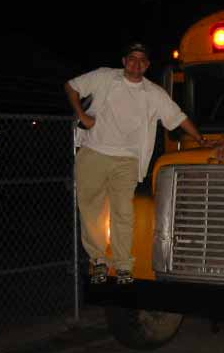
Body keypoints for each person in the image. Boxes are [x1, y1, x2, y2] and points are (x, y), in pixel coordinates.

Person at [65, 42, 207, 285]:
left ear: (147, 65)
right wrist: (82, 115)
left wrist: (201, 139)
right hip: (93, 153)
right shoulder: (104, 77)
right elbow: (71, 86)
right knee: (92, 210)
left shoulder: (154, 93)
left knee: (124, 212)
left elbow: (178, 117)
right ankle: (98, 260)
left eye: (142, 60)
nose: (136, 63)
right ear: (124, 61)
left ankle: (123, 265)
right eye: (132, 58)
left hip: (128, 159)